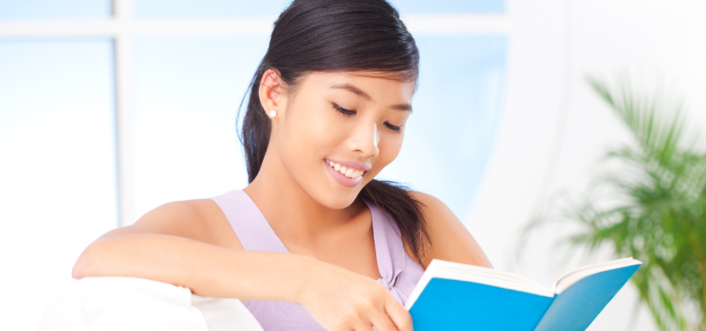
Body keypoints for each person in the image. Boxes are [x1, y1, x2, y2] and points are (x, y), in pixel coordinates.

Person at [63, 0, 491, 330]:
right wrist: (307, 280)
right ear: (274, 95)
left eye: (393, 123)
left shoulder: (418, 221)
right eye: (344, 108)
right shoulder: (209, 227)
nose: (368, 145)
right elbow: (100, 257)